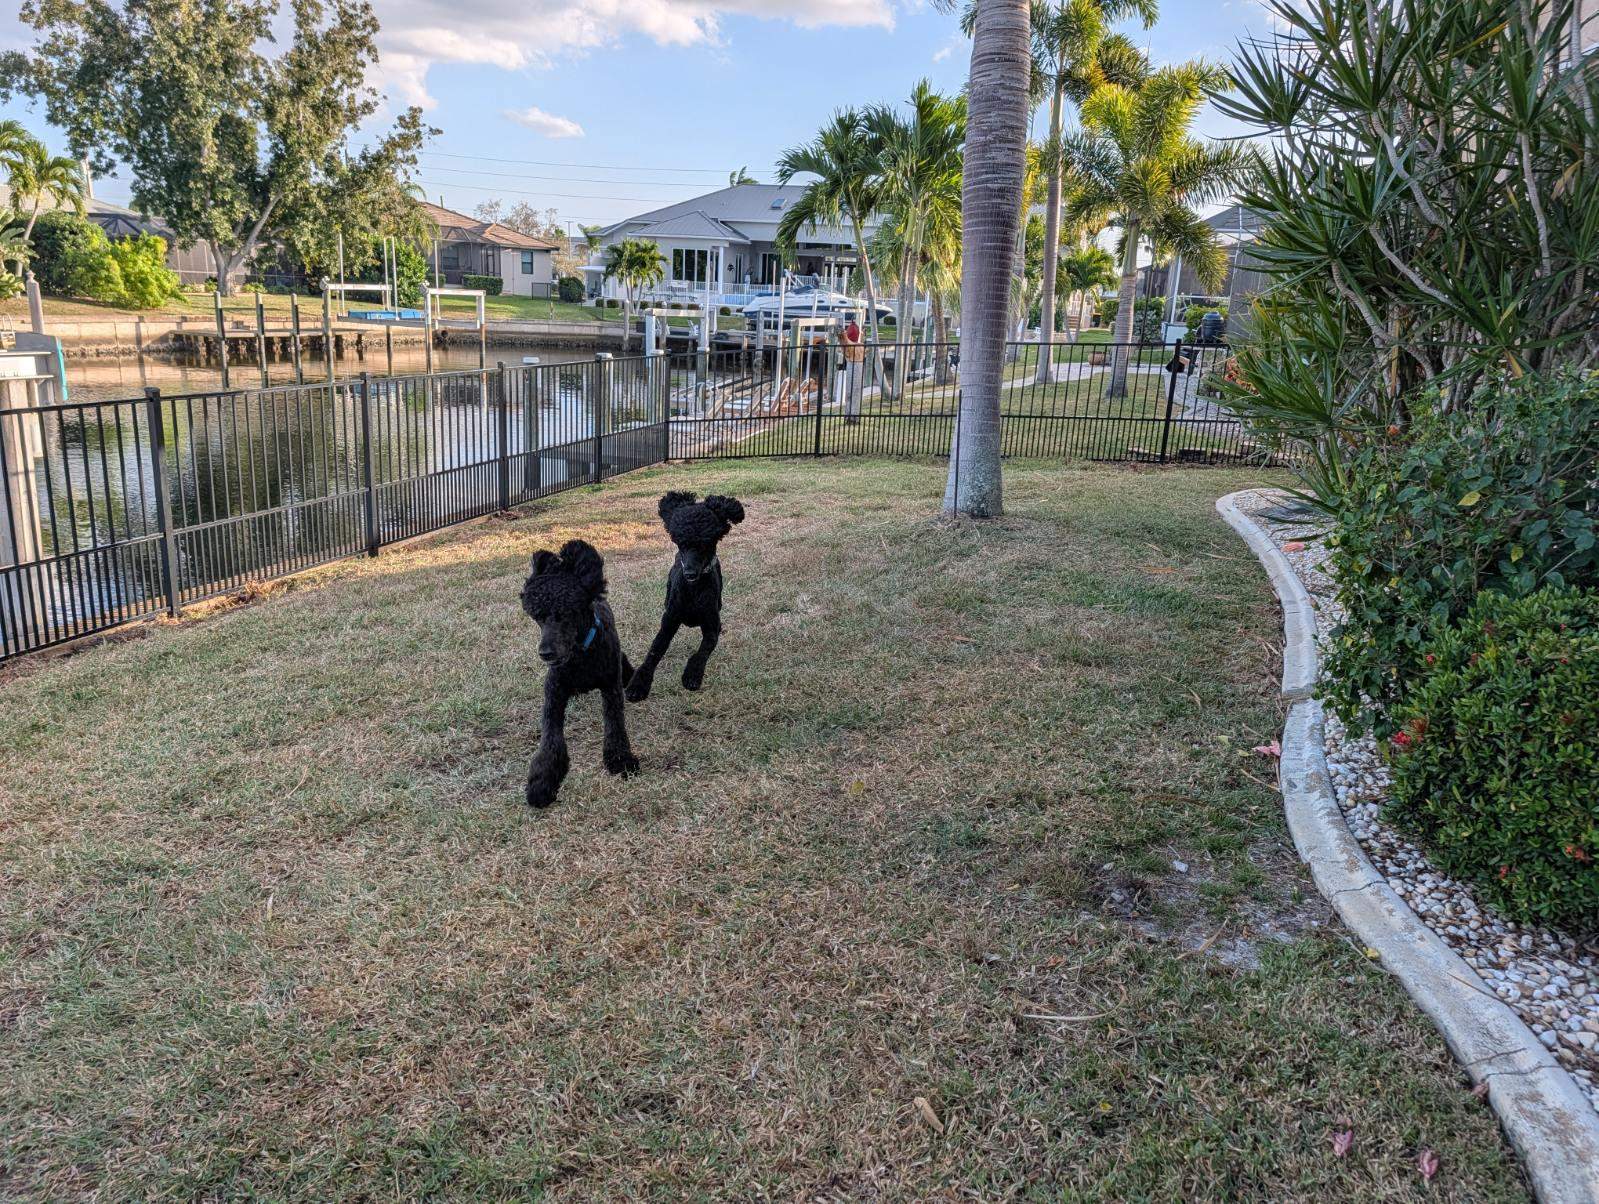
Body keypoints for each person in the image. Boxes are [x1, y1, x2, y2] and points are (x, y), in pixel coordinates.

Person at [839, 318, 865, 425]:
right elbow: (845, 339)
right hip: (856, 367)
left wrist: (842, 333)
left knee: (851, 393)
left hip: (853, 367)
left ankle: (852, 417)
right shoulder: (860, 345)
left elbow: (844, 339)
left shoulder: (852, 345)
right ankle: (852, 417)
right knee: (853, 393)